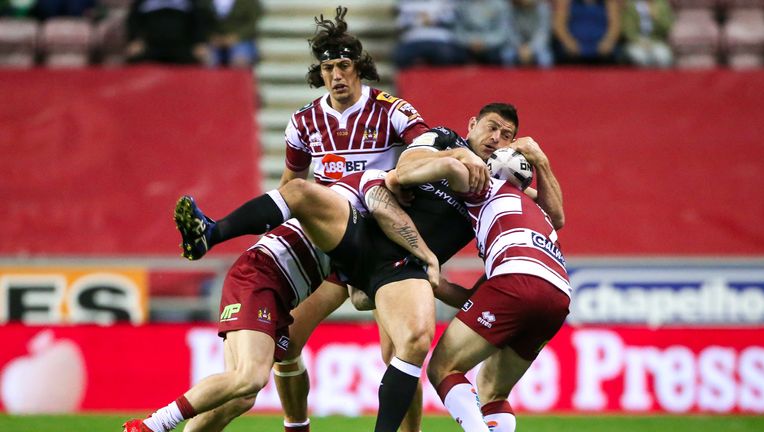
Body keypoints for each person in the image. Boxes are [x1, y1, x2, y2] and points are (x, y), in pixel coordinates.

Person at [163, 103, 563, 431]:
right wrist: (454, 157)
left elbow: (553, 216)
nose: (497, 140)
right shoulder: (444, 138)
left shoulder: (495, 182)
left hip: (404, 268)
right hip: (373, 232)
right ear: (472, 124)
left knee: (409, 347)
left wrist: (541, 163)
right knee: (274, 357)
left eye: (507, 136)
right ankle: (212, 234)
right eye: (492, 128)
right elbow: (405, 170)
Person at [187, 6, 432, 432]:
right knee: (286, 345)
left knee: (398, 354)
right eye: (328, 67)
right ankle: (296, 424)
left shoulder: (391, 110)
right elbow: (291, 186)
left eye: (343, 65)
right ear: (319, 73)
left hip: (379, 246)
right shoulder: (304, 121)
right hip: (333, 243)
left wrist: (406, 177)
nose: (336, 75)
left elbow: (423, 148)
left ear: (359, 68)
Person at [122, 170, 439, 432]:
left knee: (241, 396)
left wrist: (392, 283)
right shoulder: (360, 193)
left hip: (276, 293)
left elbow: (357, 298)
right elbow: (308, 192)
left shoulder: (361, 245)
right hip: (260, 276)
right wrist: (423, 256)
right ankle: (152, 426)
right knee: (250, 377)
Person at [391, 126, 568, 431]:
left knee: (443, 368)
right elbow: (480, 298)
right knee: (493, 392)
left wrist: (396, 178)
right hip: (557, 295)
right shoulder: (536, 214)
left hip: (515, 281)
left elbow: (450, 169)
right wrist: (436, 283)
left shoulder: (486, 187)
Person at [125, 0, 212, 65]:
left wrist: (199, 42)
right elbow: (133, 21)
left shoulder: (190, 3)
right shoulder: (142, 2)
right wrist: (134, 40)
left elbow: (198, 22)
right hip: (151, 47)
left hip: (181, 48)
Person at [393, 0, 467, 69]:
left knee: (449, 56)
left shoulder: (448, 2)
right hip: (413, 39)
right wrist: (419, 20)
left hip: (441, 39)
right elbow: (401, 24)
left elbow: (452, 19)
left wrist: (433, 19)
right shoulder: (406, 2)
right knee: (401, 56)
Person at [552, 0, 622, 65]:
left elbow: (615, 25)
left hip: (602, 47)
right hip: (573, 47)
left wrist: (608, 41)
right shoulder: (566, 2)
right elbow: (559, 25)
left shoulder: (609, 3)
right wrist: (568, 42)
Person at [453, 0, 515, 66]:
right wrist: (471, 41)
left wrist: (484, 42)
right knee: (452, 55)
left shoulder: (501, 4)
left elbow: (503, 32)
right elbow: (458, 31)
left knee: (500, 56)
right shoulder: (462, 5)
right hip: (467, 46)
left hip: (493, 47)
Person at [208, 0, 261, 68]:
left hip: (242, 39)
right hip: (215, 40)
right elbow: (202, 21)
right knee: (208, 57)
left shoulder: (249, 2)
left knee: (240, 59)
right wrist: (211, 36)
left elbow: (254, 22)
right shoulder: (206, 2)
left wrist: (237, 36)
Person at [621, 0, 674, 68]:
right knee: (641, 57)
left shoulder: (662, 4)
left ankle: (662, 78)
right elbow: (628, 31)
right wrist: (640, 42)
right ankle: (641, 78)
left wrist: (657, 18)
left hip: (656, 41)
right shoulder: (631, 4)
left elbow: (667, 27)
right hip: (635, 42)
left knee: (664, 56)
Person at [509, 0, 554, 68]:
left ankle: (544, 78)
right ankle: (511, 78)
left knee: (545, 58)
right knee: (507, 55)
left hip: (537, 45)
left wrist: (530, 48)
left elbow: (543, 33)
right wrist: (520, 47)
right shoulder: (512, 8)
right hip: (518, 46)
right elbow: (511, 32)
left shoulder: (543, 8)